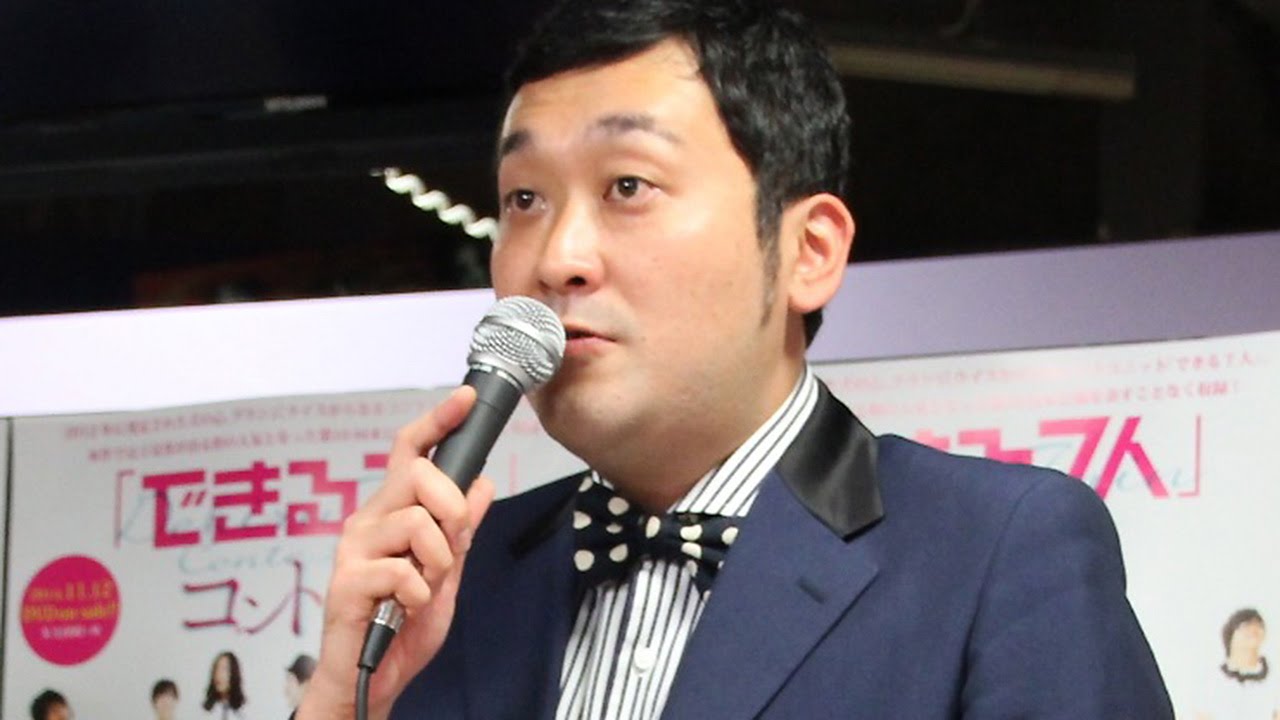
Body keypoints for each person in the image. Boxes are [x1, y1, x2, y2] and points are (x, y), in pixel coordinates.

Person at [297, 0, 1175, 718]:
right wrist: (341, 699)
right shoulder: (453, 585)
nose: (558, 257)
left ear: (809, 251)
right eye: (523, 199)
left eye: (628, 186)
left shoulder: (997, 551)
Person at [1196, 608, 1280, 719]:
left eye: (1259, 626)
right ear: (1231, 636)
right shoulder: (1212, 680)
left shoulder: (1275, 677)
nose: (1253, 630)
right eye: (1246, 626)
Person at [202, 651, 248, 719]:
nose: (219, 675)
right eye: (216, 669)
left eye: (224, 669)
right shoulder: (204, 712)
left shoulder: (244, 712)